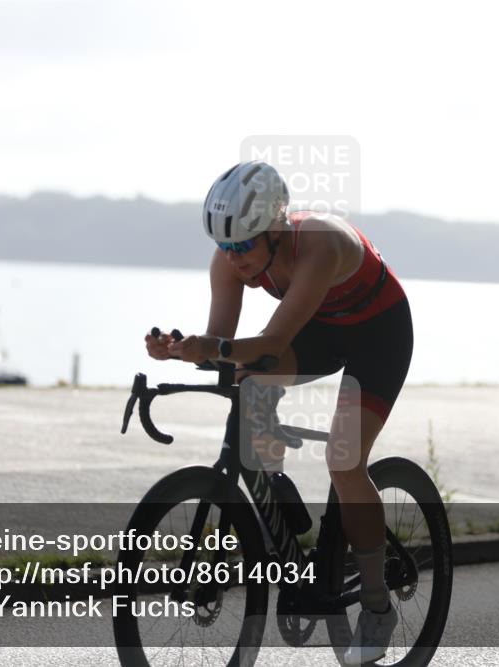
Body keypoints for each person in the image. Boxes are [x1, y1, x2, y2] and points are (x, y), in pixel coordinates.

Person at [144, 160, 413, 664]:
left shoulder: (320, 244)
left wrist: (212, 348)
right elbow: (225, 348)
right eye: (225, 247)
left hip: (379, 332)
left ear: (273, 228)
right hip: (323, 327)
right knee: (250, 381)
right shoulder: (229, 260)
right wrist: (181, 349)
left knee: (344, 460)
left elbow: (266, 342)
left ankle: (377, 607)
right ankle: (273, 480)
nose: (235, 258)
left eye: (243, 246)